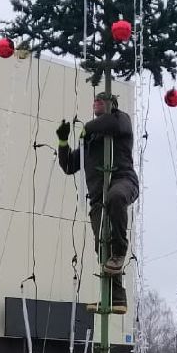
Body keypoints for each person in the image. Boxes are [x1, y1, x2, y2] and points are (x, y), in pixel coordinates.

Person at [56, 91, 140, 313]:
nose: (96, 103)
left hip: (123, 181)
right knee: (102, 247)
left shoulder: (121, 120)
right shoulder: (90, 140)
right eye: (94, 100)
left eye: (101, 101)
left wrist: (87, 128)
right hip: (97, 199)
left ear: (112, 105)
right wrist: (63, 142)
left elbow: (114, 124)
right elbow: (69, 165)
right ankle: (116, 297)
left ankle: (121, 250)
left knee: (116, 197)